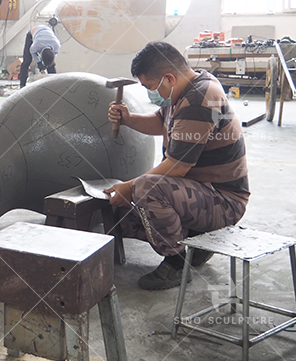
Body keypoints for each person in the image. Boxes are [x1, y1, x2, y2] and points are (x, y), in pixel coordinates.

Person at [104, 41, 249, 290]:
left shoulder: (199, 99)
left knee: (147, 188)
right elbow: (160, 122)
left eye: (151, 87)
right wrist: (128, 119)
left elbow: (177, 167)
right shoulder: (186, 89)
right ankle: (196, 243)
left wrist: (129, 186)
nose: (154, 93)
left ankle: (176, 264)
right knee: (123, 218)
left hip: (224, 201)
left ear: (168, 78)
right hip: (201, 191)